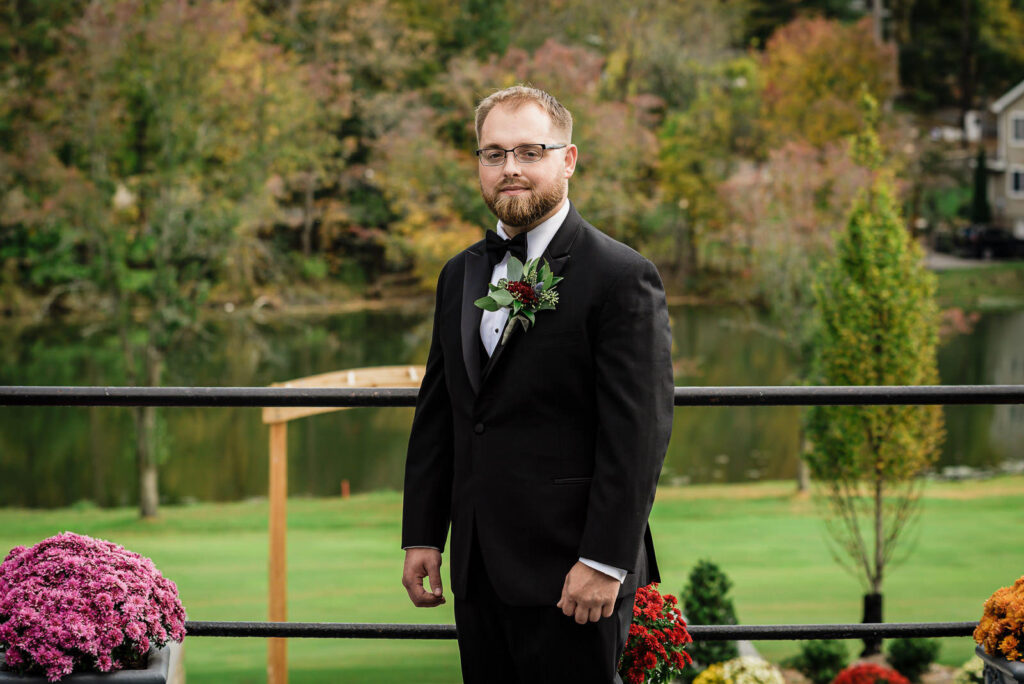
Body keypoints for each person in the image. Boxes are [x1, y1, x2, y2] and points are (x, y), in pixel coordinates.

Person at [400, 85, 674, 684]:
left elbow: (639, 436)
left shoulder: (622, 277)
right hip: (479, 574)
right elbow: (441, 412)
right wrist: (423, 533)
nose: (511, 169)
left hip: (574, 575)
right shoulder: (460, 273)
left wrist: (603, 561)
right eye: (493, 154)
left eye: (529, 151)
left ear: (567, 159)